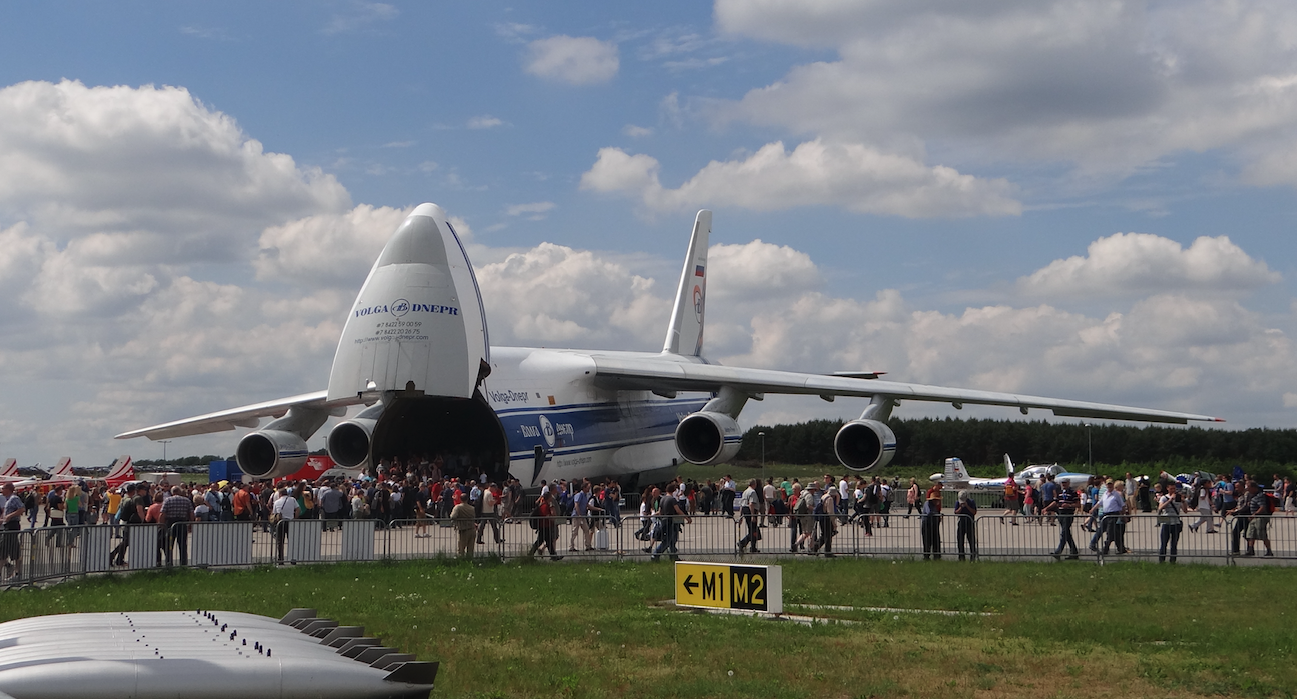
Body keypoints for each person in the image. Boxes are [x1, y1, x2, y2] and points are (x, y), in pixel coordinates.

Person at [651, 486, 690, 562]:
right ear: (674, 491)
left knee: (672, 541)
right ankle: (655, 554)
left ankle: (673, 556)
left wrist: (652, 515)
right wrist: (687, 518)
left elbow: (660, 512)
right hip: (671, 522)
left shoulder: (663, 499)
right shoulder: (672, 500)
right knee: (667, 541)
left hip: (664, 521)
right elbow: (678, 510)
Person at [159, 486, 194, 566]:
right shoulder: (186, 500)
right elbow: (191, 513)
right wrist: (190, 524)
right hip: (182, 523)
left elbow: (162, 513)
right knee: (182, 544)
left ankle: (169, 562)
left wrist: (161, 525)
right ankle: (183, 562)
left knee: (169, 544)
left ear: (172, 492)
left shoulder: (168, 500)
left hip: (170, 523)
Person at [1046, 479, 1080, 559]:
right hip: (1060, 514)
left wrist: (1069, 505)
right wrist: (1046, 508)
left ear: (1068, 483)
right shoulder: (1059, 492)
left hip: (1068, 514)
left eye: (1065, 483)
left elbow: (1078, 504)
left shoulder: (1072, 492)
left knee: (1064, 533)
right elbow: (1055, 502)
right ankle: (1074, 552)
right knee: (1066, 534)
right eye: (1062, 483)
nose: (1063, 484)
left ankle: (1058, 552)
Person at [109, 483, 140, 567]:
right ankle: (113, 556)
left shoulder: (123, 498)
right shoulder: (130, 500)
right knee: (126, 542)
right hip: (127, 522)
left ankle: (118, 559)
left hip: (123, 521)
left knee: (126, 542)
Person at [1241, 481, 1274, 557]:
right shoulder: (1252, 495)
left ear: (1253, 487)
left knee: (1262, 534)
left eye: (1248, 487)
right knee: (1250, 534)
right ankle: (1250, 550)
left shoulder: (1260, 495)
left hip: (1260, 517)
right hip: (1253, 518)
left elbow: (1262, 507)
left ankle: (1269, 551)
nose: (1247, 489)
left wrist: (1254, 514)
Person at [1095, 480, 1128, 555]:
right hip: (1106, 515)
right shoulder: (1105, 494)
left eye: (1110, 485)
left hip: (1114, 515)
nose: (1109, 486)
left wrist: (1123, 516)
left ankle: (1105, 549)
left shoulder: (1116, 494)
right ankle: (1121, 548)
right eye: (1108, 485)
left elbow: (1122, 505)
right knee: (1114, 533)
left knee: (1110, 532)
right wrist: (1092, 509)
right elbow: (1100, 503)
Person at [528, 491, 562, 560]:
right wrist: (553, 519)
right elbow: (546, 516)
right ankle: (530, 554)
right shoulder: (544, 505)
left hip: (546, 526)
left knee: (548, 541)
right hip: (544, 526)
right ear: (549, 497)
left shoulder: (547, 504)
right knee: (540, 541)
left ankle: (553, 556)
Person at [1, 482, 24, 581]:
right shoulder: (7, 499)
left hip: (12, 526)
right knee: (3, 550)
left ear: (9, 489)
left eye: (3, 488)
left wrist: (10, 516)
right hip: (7, 526)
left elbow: (22, 509)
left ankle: (17, 573)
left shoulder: (14, 498)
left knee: (12, 549)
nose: (2, 490)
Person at [1157, 483, 1184, 563]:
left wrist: (1184, 501)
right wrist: (1170, 500)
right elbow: (1160, 508)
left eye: (1174, 489)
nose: (1173, 490)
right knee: (1164, 542)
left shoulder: (1178, 497)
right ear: (1167, 488)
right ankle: (1161, 560)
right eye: (1171, 489)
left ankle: (1173, 560)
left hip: (1176, 521)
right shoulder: (1164, 497)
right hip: (1166, 521)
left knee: (1174, 543)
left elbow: (1185, 510)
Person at [272, 487, 299, 563]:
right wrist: (295, 518)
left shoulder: (277, 502)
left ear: (280, 494)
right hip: (290, 522)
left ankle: (280, 559)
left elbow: (274, 513)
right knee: (291, 541)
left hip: (281, 522)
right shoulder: (292, 500)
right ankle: (292, 558)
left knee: (280, 542)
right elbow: (298, 509)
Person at [737, 479, 762, 554]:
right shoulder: (752, 492)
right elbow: (751, 504)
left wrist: (740, 516)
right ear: (754, 484)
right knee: (753, 530)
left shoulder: (745, 492)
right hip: (750, 510)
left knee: (752, 529)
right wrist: (753, 515)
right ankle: (743, 543)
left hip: (745, 510)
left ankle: (753, 547)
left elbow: (741, 504)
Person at [920, 482, 943, 560]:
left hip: (934, 523)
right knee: (927, 540)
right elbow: (929, 512)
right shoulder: (928, 504)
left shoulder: (935, 506)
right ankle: (926, 555)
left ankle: (937, 555)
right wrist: (936, 514)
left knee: (936, 539)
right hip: (927, 524)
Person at [450, 493, 476, 558]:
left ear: (460, 499)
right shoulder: (472, 508)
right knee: (470, 548)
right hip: (472, 529)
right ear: (467, 499)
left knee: (461, 548)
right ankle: (470, 561)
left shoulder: (458, 507)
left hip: (463, 529)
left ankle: (461, 561)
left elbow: (453, 516)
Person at [954, 490, 977, 561]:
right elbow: (956, 512)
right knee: (960, 540)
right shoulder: (957, 502)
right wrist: (960, 508)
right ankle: (961, 557)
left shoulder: (971, 502)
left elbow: (974, 512)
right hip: (961, 523)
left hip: (969, 522)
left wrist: (967, 506)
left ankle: (973, 556)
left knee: (971, 540)